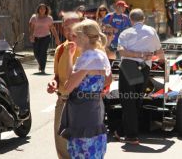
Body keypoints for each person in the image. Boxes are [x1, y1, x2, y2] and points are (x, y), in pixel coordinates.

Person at [59, 19, 111, 158]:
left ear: (84, 37)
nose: (73, 38)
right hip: (93, 107)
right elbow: (108, 79)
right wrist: (70, 56)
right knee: (93, 146)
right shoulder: (99, 55)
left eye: (76, 35)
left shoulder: (88, 58)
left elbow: (68, 87)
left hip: (82, 110)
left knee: (82, 148)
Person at [114, 8, 165, 144]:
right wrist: (163, 62)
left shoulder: (126, 32)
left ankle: (131, 136)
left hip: (129, 67)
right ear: (144, 19)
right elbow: (159, 51)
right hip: (144, 68)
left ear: (130, 20)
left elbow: (121, 52)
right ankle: (121, 131)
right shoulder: (151, 31)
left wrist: (138, 55)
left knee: (128, 101)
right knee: (136, 101)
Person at [47, 12, 81, 159]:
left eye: (72, 26)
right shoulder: (60, 49)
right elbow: (57, 75)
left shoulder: (89, 49)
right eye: (66, 26)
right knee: (62, 146)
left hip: (82, 103)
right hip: (63, 101)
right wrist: (53, 82)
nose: (69, 30)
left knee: (81, 147)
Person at [29, 3, 60, 74]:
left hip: (46, 37)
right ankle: (40, 64)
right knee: (36, 53)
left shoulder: (49, 18)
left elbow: (52, 28)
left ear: (46, 10)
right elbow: (31, 28)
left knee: (43, 52)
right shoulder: (34, 17)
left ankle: (42, 68)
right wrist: (31, 36)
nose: (42, 10)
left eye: (44, 8)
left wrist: (56, 38)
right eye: (40, 8)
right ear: (38, 9)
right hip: (36, 37)